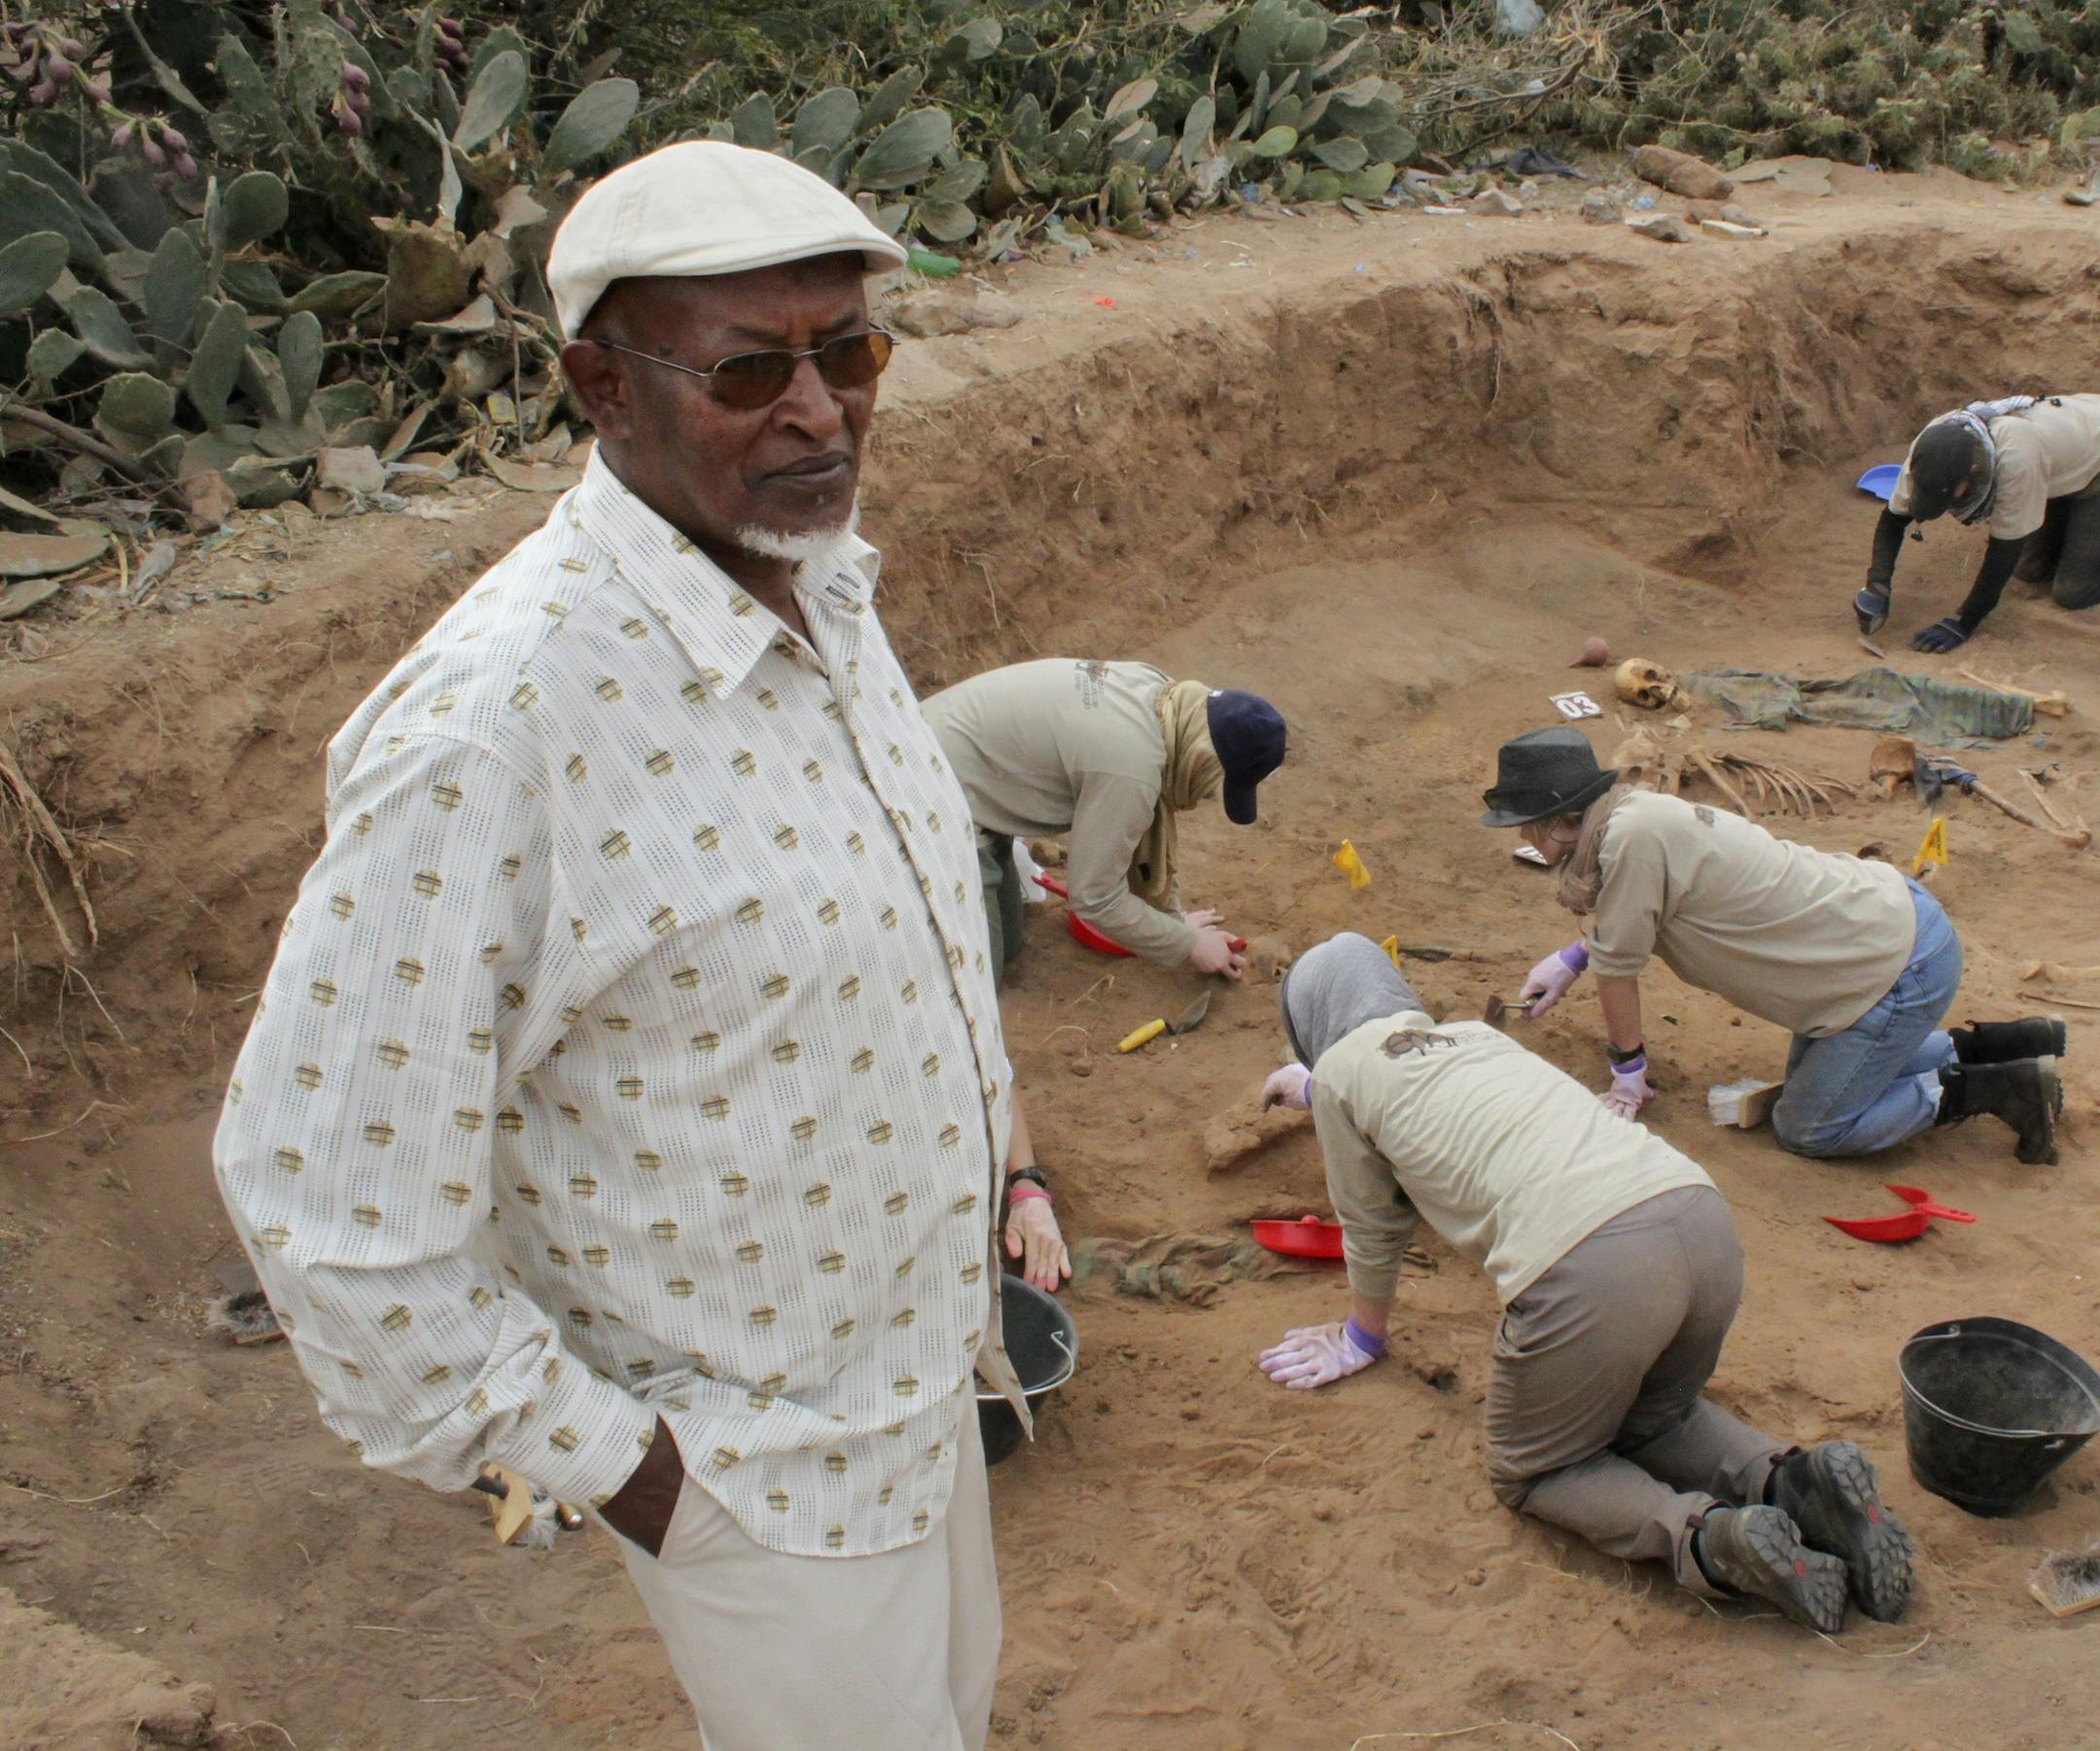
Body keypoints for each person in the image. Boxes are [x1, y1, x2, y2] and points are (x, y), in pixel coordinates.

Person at [213, 141, 1028, 1751]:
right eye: (748, 369)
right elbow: (325, 1195)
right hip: (755, 1473)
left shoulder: (821, 584)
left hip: (928, 1386)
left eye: (850, 351)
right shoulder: (498, 728)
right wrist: (633, 1473)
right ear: (603, 384)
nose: (822, 411)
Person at [1254, 932, 1915, 1632]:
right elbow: (1402, 1079)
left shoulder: (1341, 1077)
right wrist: (1320, 1084)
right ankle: (1795, 1483)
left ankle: (1709, 1538)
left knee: (1536, 1469)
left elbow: (1372, 1224)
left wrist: (1361, 1335)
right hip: (1697, 1219)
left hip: (1593, 1267)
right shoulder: (1475, 1037)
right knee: (1652, 1417)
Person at [1483, 726, 2064, 1163]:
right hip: (1884, 929)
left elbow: (1620, 971)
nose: (1523, 836)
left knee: (1809, 1127)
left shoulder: (1629, 842)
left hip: (1890, 968)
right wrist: (1572, 958)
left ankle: (1992, 1088)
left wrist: (1628, 1069)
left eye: (1526, 822)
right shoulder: (1638, 815)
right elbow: (1642, 911)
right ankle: (2006, 1045)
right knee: (1839, 1078)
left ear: (1558, 818)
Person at [923, 658, 1285, 984]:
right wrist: (1188, 944)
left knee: (1011, 942)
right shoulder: (1131, 769)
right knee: (977, 978)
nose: (1202, 799)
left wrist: (1172, 922)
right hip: (928, 787)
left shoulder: (1167, 702)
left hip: (968, 767)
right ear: (1202, 758)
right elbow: (1094, 898)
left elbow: (1145, 823)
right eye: (1211, 787)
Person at [1855, 393, 2100, 652]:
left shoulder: (2016, 459)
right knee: (2030, 570)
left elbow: (2003, 552)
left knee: (2072, 592)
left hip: (2094, 471)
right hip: (2065, 460)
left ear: (1973, 473)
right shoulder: (1931, 445)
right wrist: (1876, 588)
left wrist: (1963, 622)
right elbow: (1893, 521)